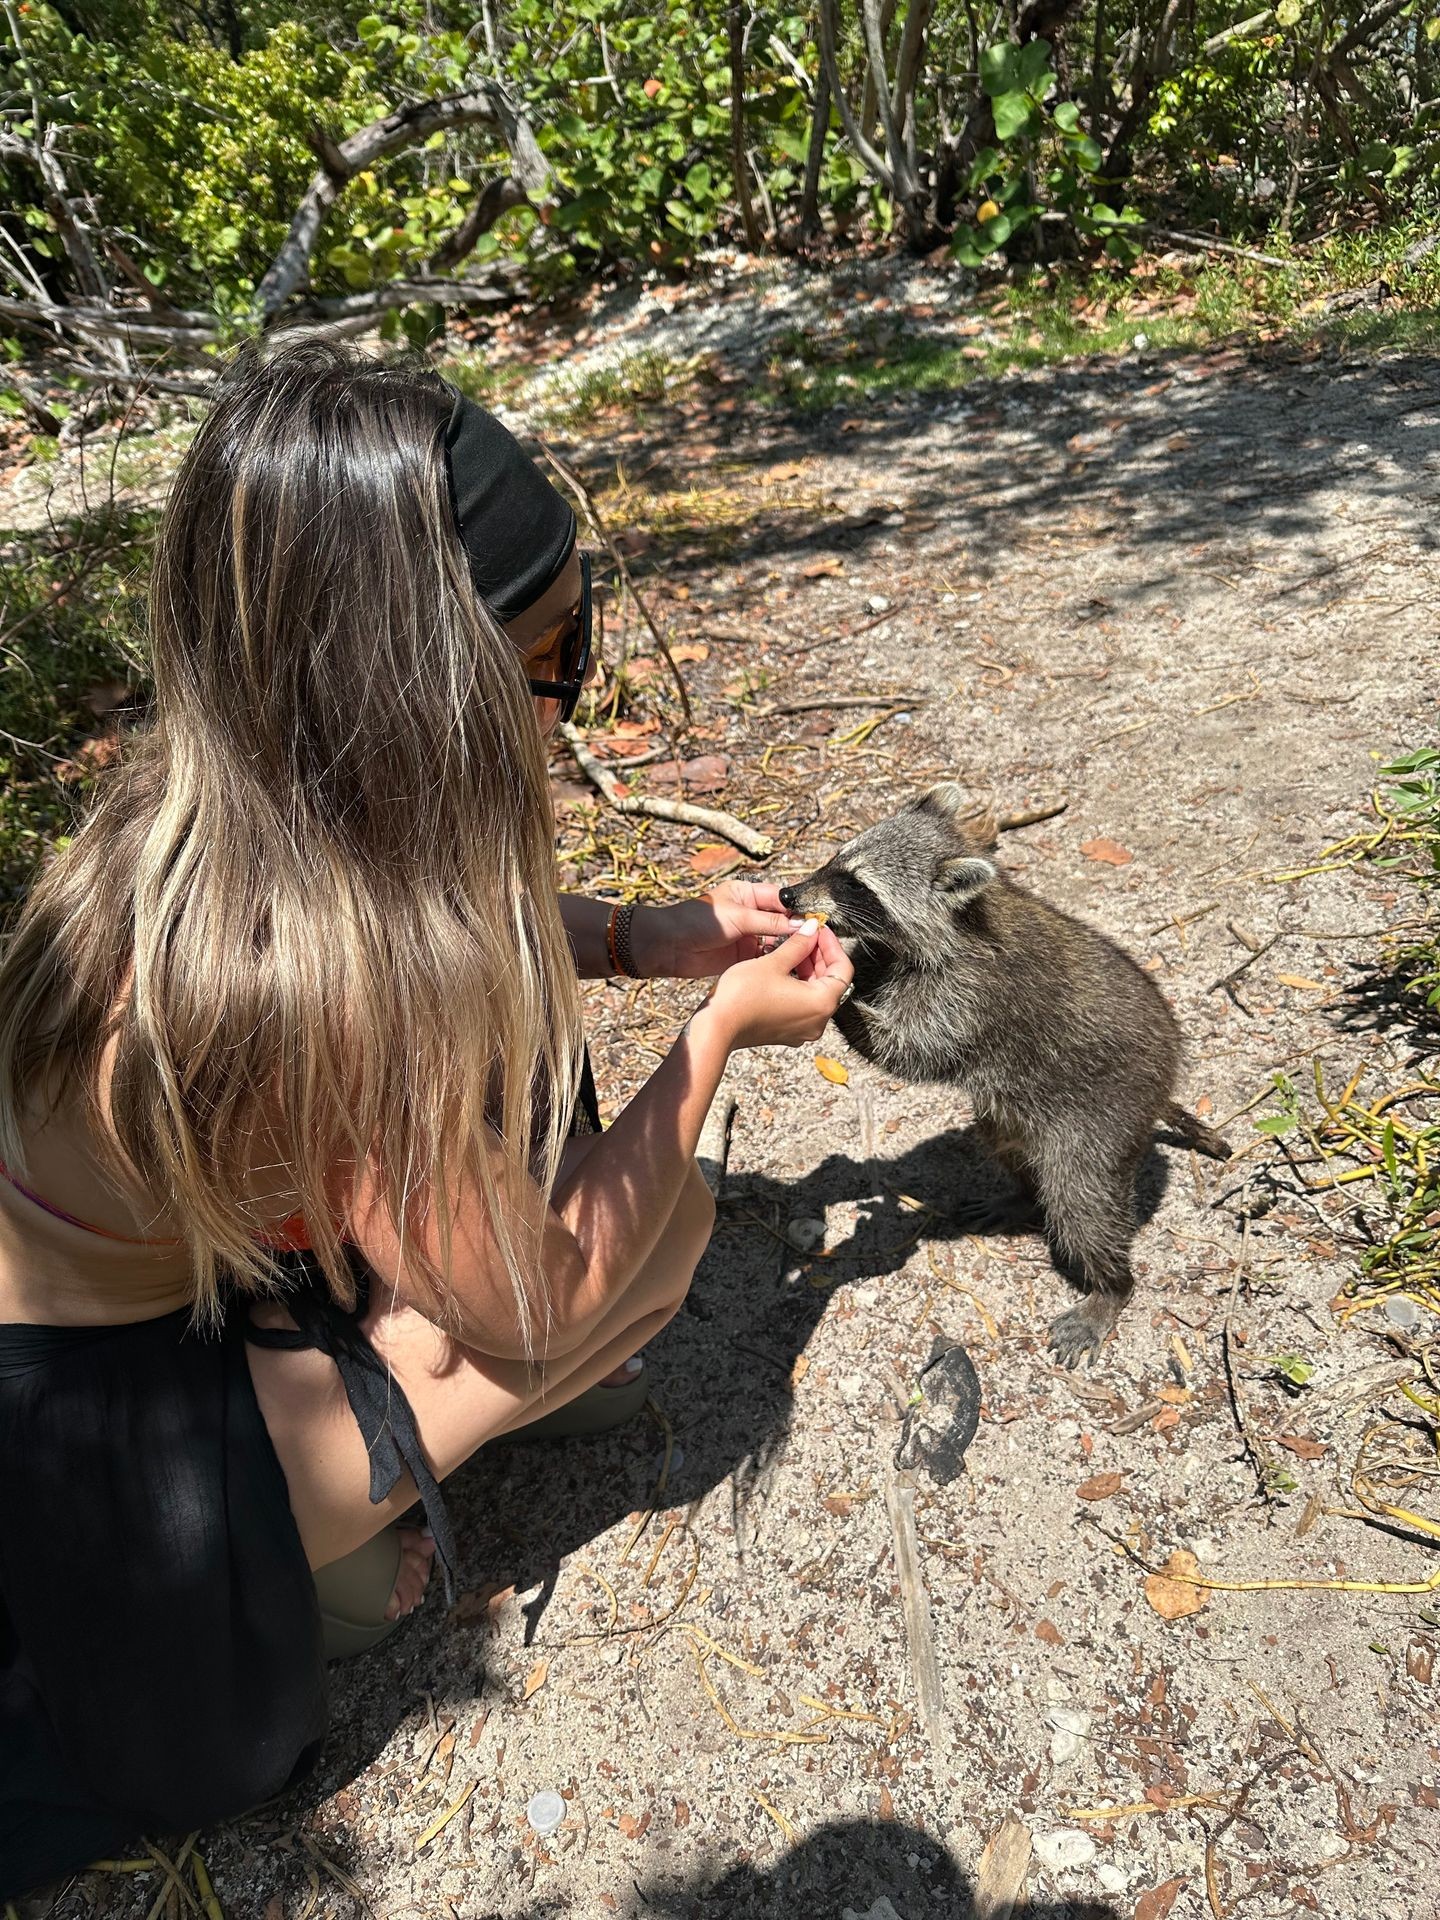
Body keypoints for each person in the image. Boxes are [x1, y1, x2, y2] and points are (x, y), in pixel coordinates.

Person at [0, 342, 852, 1896]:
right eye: (548, 676)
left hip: (152, 1301)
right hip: (99, 1425)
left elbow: (455, 914)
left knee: (602, 1213)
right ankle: (299, 1570)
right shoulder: (314, 992)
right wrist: (718, 1035)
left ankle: (328, 1505)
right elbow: (542, 1287)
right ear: (421, 703)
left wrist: (632, 936)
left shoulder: (223, 818)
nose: (562, 708)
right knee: (647, 1259)